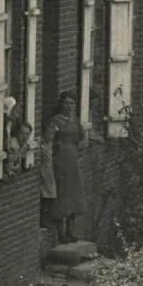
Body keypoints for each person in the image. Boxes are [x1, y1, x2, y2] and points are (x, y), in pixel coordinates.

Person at [45, 90, 86, 244]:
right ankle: (61, 232)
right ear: (61, 104)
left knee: (73, 193)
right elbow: (48, 138)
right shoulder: (56, 120)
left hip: (73, 159)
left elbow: (82, 137)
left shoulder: (75, 119)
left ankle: (70, 230)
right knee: (62, 192)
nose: (69, 106)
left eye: (72, 103)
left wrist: (78, 146)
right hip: (60, 160)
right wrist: (57, 143)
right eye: (66, 103)